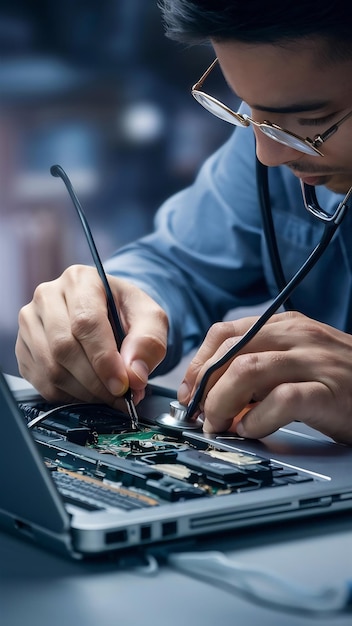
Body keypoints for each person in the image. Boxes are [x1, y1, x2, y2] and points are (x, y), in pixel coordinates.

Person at [15, 0, 352, 444]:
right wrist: (111, 307)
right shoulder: (273, 133)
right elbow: (176, 263)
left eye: (311, 122)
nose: (266, 155)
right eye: (247, 110)